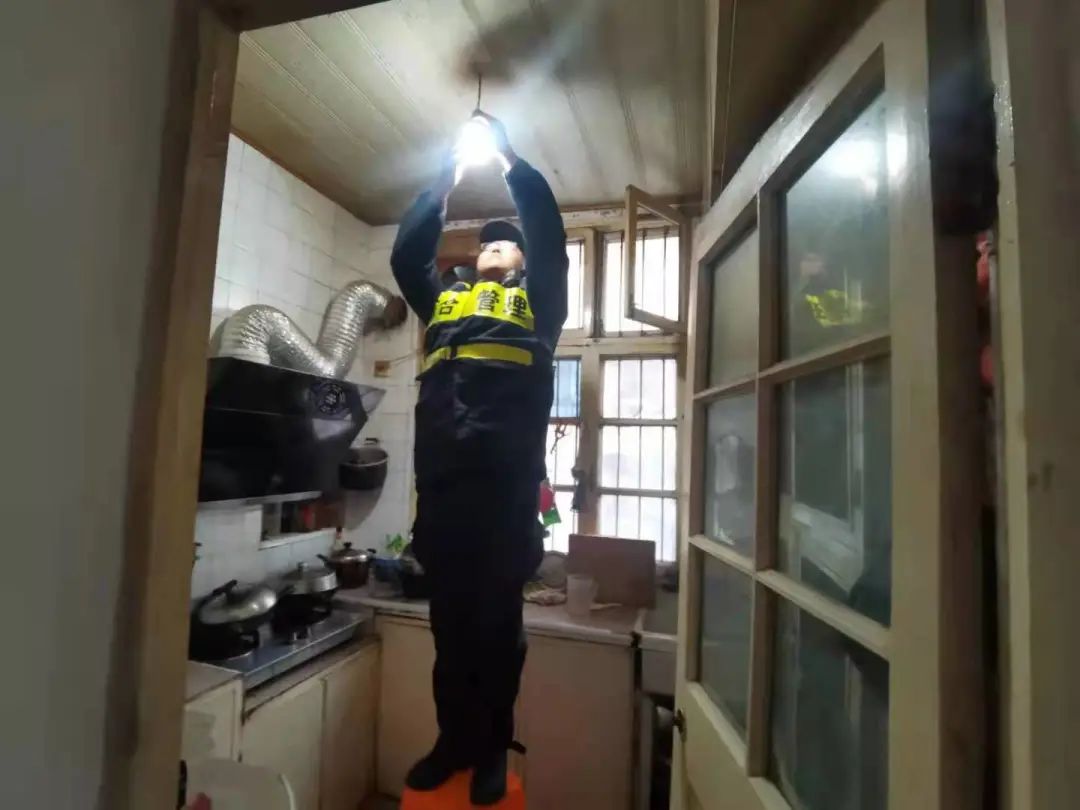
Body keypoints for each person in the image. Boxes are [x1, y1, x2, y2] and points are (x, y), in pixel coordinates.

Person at [389, 113, 568, 805]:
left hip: (504, 501)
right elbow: (407, 258)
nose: (495, 246)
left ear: (519, 262)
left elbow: (548, 238)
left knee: (496, 638)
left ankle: (492, 747)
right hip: (442, 498)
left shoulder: (538, 305)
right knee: (450, 637)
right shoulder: (444, 306)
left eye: (505, 242)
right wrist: (445, 179)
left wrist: (511, 162)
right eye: (486, 240)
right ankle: (453, 741)